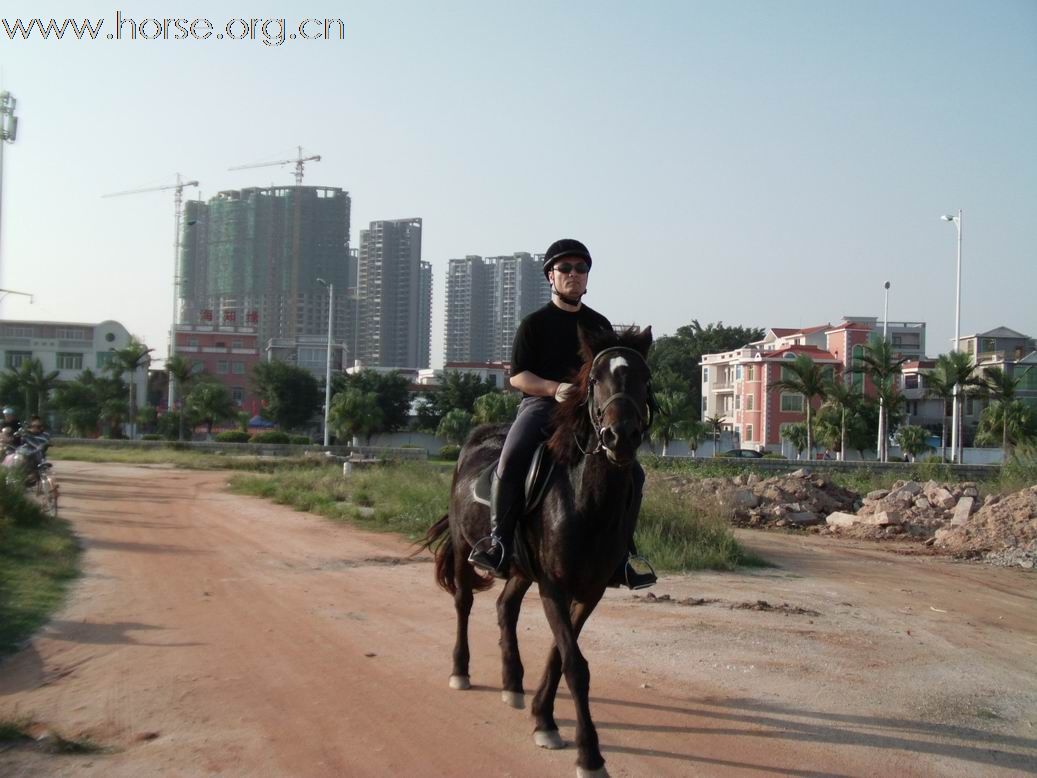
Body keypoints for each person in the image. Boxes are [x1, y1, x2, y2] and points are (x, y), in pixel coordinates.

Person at [468, 238, 656, 589]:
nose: (573, 274)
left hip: (587, 412)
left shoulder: (600, 325)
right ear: (550, 276)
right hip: (540, 406)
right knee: (510, 459)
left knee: (636, 475)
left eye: (580, 268)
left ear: (587, 277)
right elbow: (517, 377)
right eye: (565, 268)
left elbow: (610, 374)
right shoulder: (534, 324)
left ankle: (623, 555)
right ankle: (499, 543)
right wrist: (555, 389)